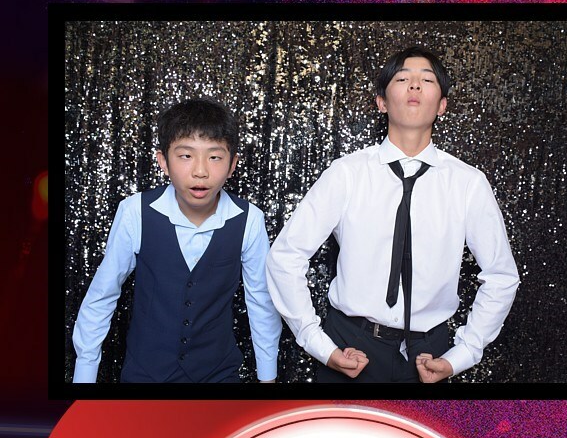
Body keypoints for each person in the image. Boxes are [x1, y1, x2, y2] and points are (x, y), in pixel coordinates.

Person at [266, 47, 520, 386]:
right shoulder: (347, 174)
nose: (414, 85)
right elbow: (285, 256)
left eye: (426, 80)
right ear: (381, 102)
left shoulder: (468, 183)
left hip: (430, 352)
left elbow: (502, 276)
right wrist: (320, 345)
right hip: (350, 344)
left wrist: (461, 355)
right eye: (402, 79)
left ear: (442, 105)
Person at [72, 97, 282, 385]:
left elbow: (261, 302)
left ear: (232, 164)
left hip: (219, 374)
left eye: (214, 157)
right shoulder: (135, 211)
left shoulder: (250, 219)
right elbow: (102, 296)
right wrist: (84, 377)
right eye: (185, 156)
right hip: (145, 374)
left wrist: (267, 377)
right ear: (163, 161)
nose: (200, 171)